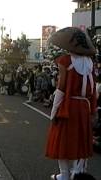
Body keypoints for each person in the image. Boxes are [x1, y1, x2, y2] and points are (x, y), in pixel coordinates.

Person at [45, 27, 97, 180]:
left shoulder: (65, 60)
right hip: (84, 106)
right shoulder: (90, 63)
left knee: (62, 139)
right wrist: (93, 109)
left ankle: (64, 174)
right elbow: (93, 90)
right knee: (81, 141)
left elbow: (61, 88)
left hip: (68, 106)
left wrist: (54, 111)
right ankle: (78, 173)